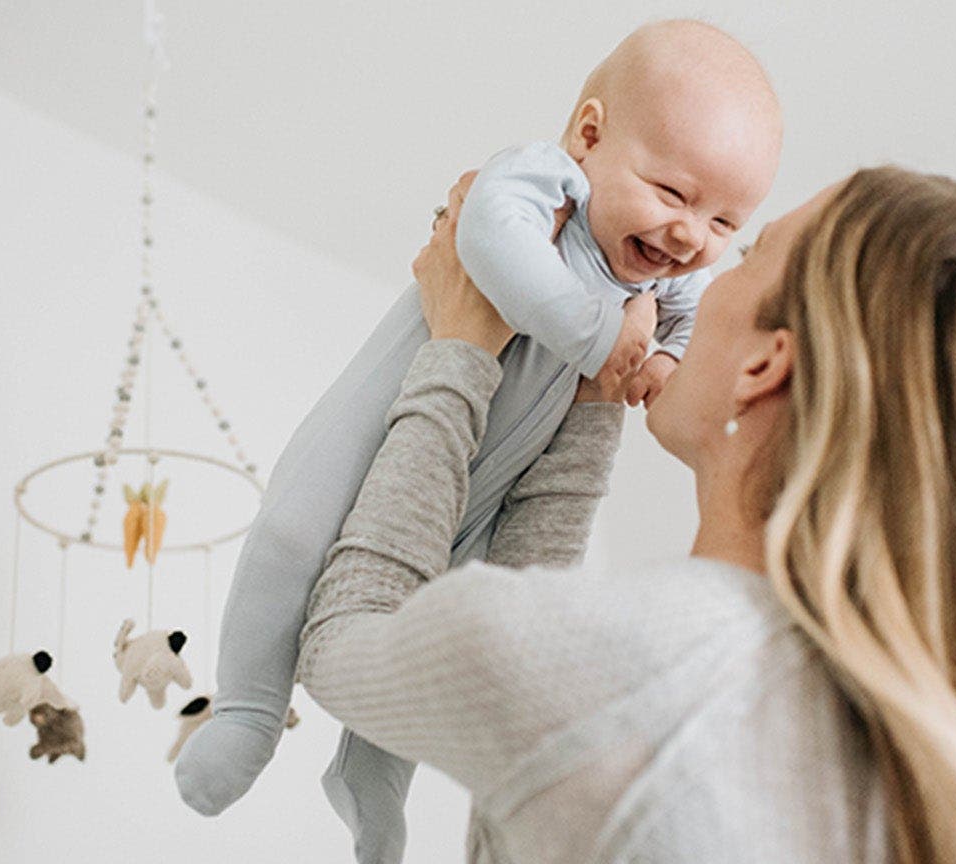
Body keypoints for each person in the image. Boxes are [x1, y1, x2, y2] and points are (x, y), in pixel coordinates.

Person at [295, 167, 956, 863]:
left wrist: (459, 350)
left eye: (745, 251)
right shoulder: (947, 758)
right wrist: (586, 404)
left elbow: (345, 638)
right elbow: (551, 678)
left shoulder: (625, 675)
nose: (698, 262)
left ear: (762, 365)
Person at [174, 18, 782, 862]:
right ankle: (246, 707)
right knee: (288, 534)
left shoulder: (667, 281)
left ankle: (373, 775)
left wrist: (663, 360)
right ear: (590, 135)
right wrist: (597, 339)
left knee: (437, 623)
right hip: (381, 423)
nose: (690, 239)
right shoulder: (543, 183)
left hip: (485, 484)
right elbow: (488, 241)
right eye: (675, 195)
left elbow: (675, 328)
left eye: (725, 223)